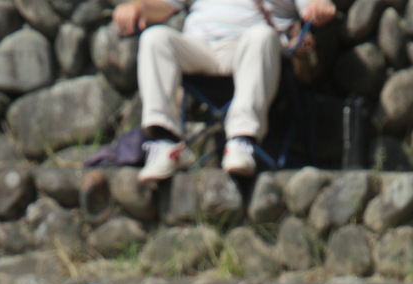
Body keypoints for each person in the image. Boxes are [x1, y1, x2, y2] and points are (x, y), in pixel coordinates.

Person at [112, 0, 336, 181]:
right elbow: (164, 4)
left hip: (248, 49)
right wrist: (139, 6)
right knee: (155, 38)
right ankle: (165, 143)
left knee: (262, 35)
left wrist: (321, 7)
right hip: (199, 48)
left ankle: (242, 140)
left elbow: (313, 6)